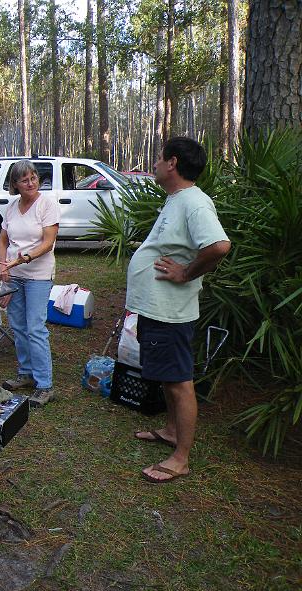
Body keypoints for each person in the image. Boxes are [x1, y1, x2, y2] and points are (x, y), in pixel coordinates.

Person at [128, 137, 230, 483]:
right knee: (169, 379)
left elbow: (218, 246)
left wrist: (185, 273)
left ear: (172, 163)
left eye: (159, 158)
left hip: (170, 311)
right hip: (157, 308)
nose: (154, 164)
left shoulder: (195, 204)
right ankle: (171, 430)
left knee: (178, 383)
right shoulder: (177, 199)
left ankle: (181, 458)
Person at [0, 160, 60, 406]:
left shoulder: (47, 204)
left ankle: (45, 385)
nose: (31, 182)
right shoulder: (12, 207)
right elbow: (3, 241)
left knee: (35, 328)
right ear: (15, 184)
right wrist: (4, 267)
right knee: (18, 326)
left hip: (38, 275)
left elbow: (48, 243)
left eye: (33, 177)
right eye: (25, 179)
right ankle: (26, 373)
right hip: (14, 275)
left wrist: (25, 258)